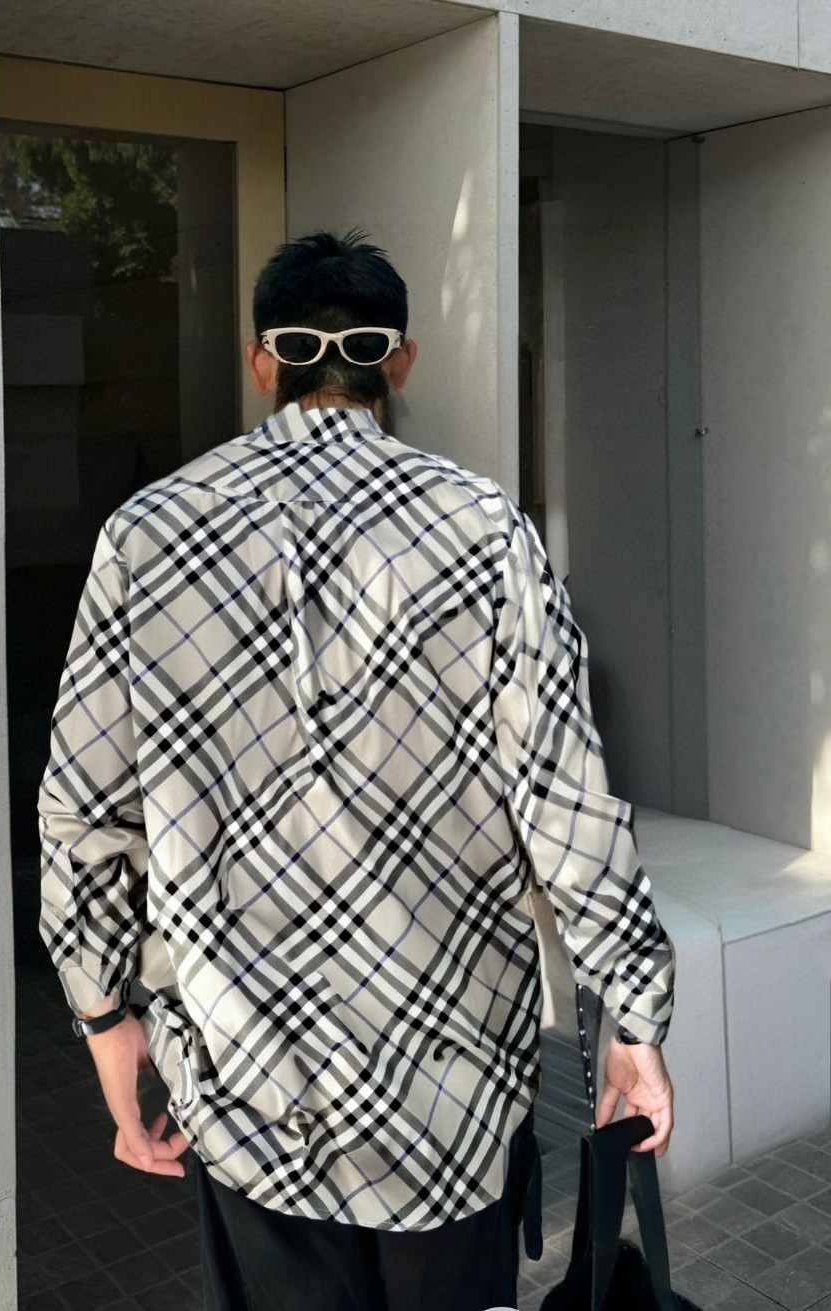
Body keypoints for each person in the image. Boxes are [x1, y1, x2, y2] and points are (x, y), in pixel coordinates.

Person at [38, 230, 676, 1311]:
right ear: (401, 361)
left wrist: (105, 1023)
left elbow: (83, 814)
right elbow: (568, 804)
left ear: (262, 362)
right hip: (451, 1100)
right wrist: (636, 1020)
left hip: (245, 1090)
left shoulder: (145, 535)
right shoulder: (484, 530)